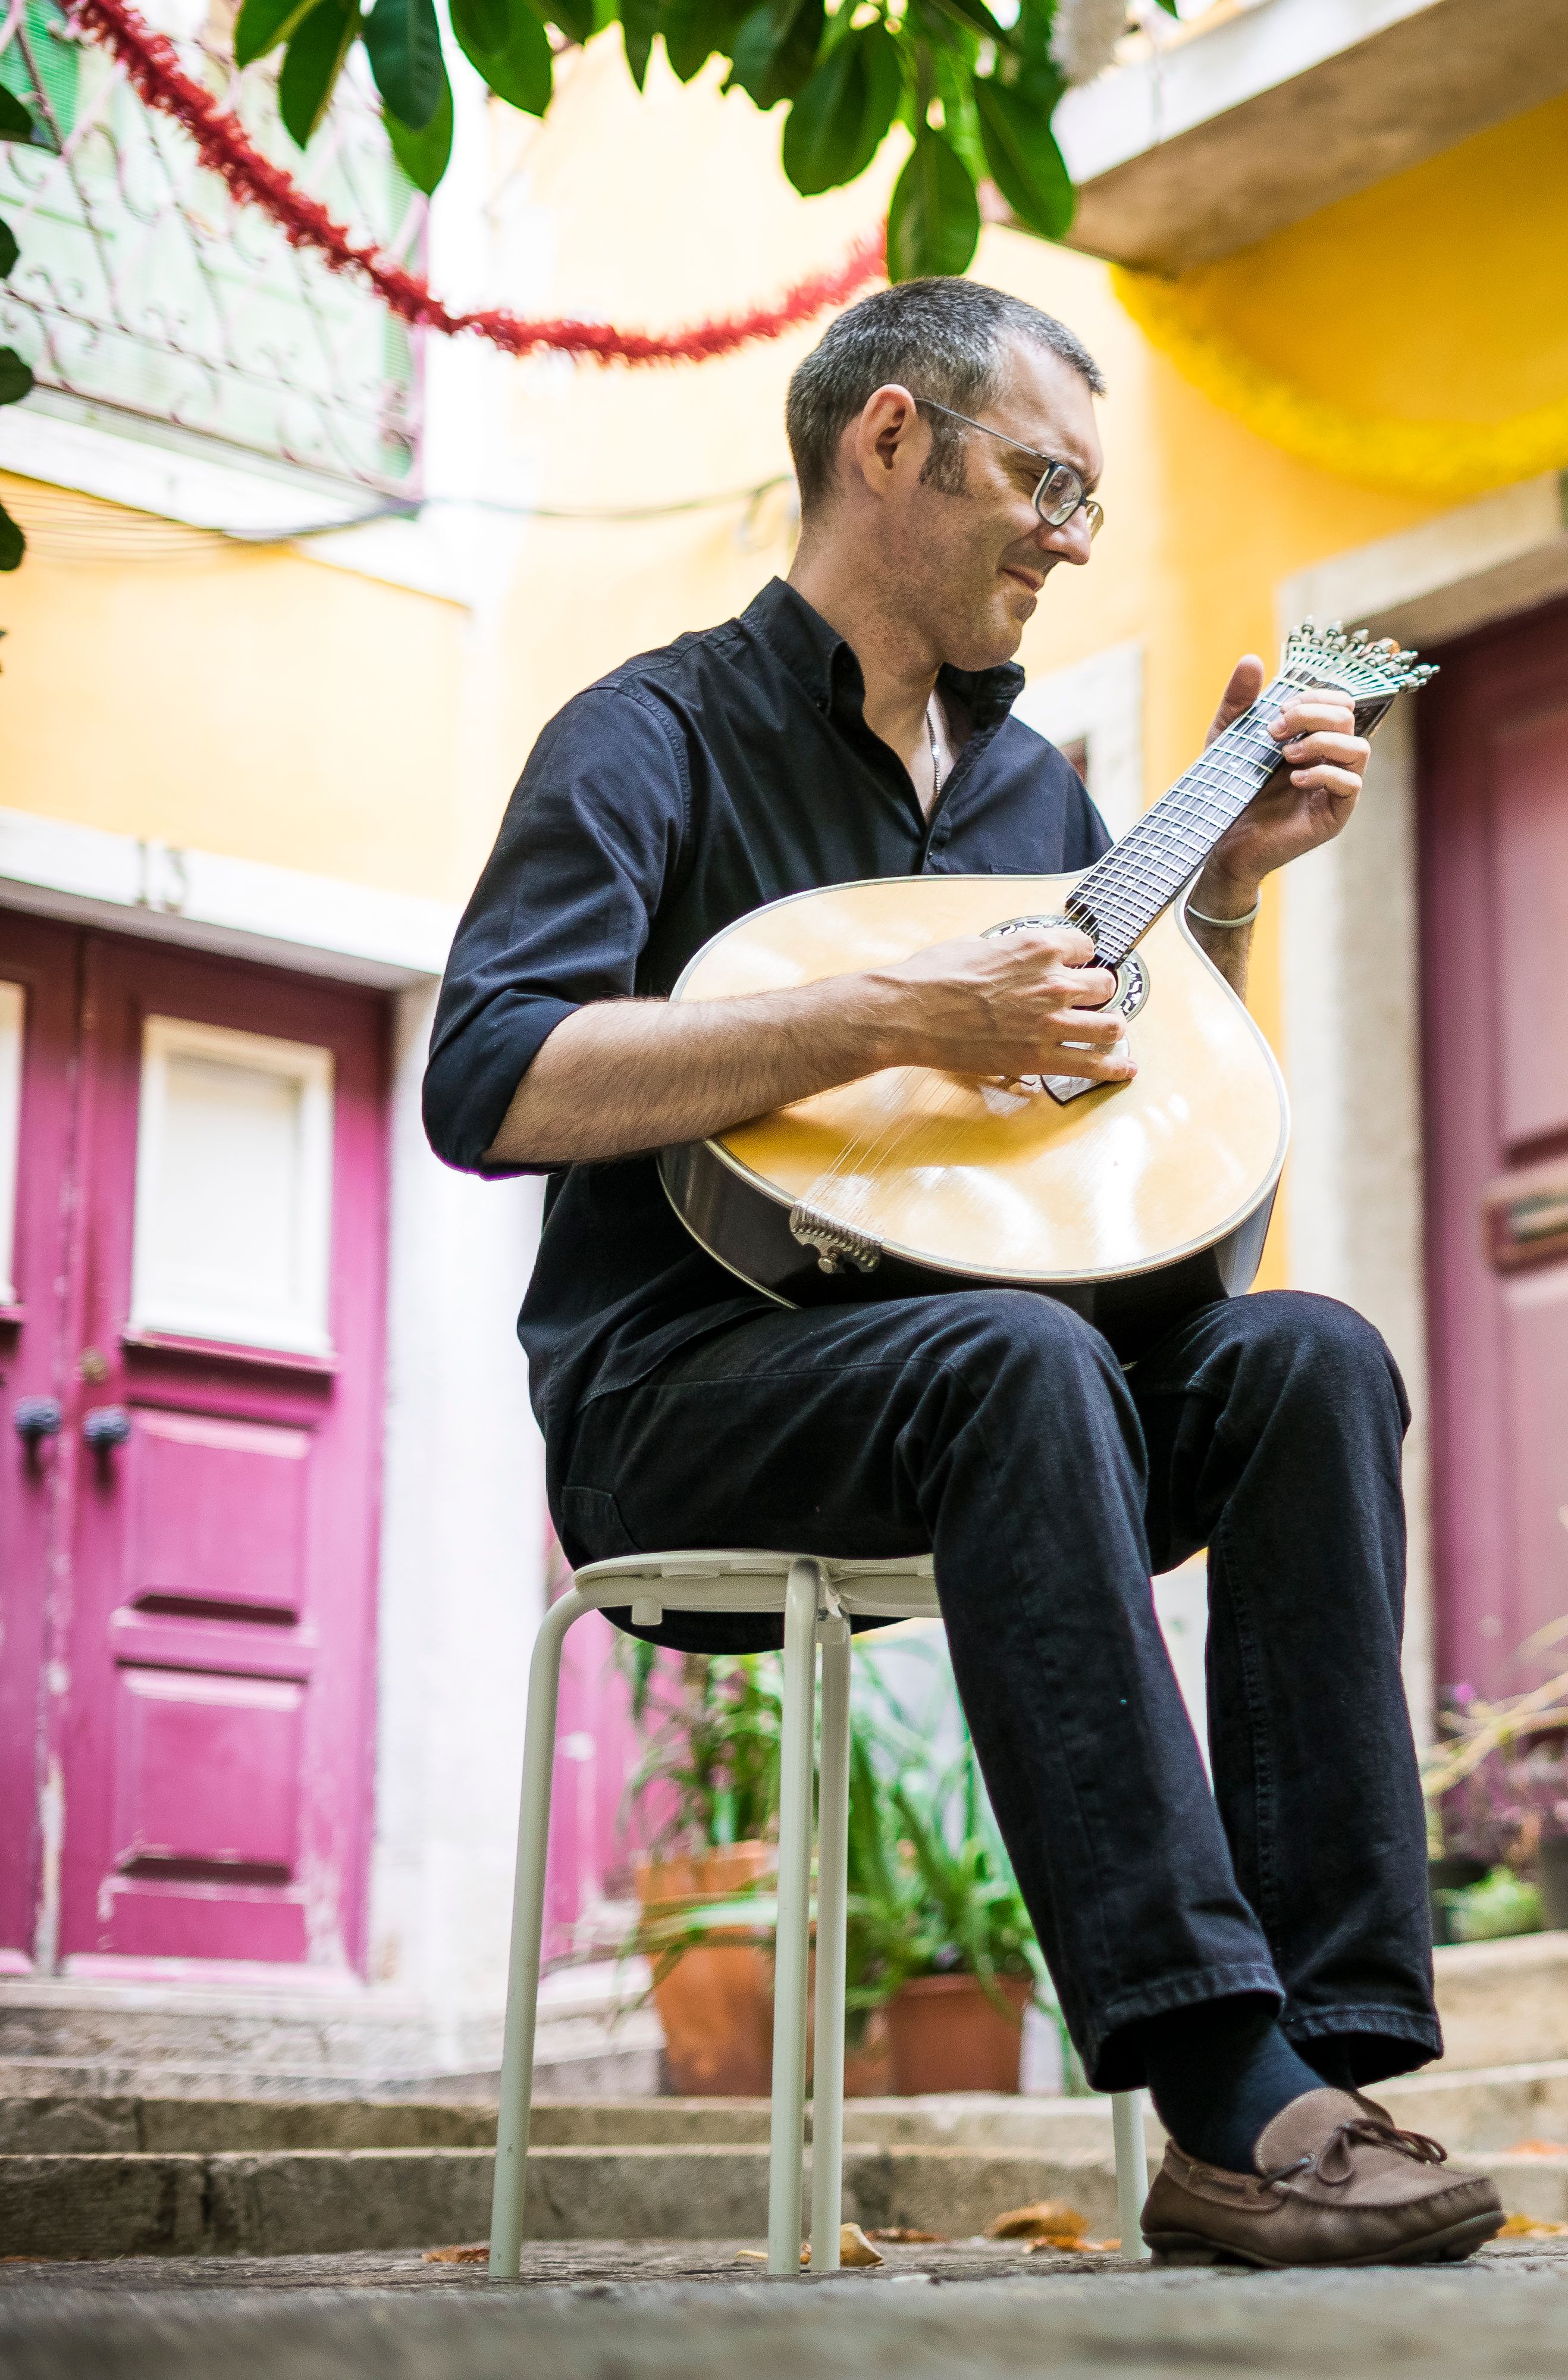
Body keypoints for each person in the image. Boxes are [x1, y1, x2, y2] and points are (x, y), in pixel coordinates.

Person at [427, 278, 1497, 2270]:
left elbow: (1141, 1157)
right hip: (690, 1401)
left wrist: (1232, 896)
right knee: (1011, 1361)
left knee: (1311, 1361)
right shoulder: (648, 735)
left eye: (1094, 500)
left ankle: (1329, 2052)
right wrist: (896, 1008)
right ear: (890, 441)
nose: (1072, 536)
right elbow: (489, 1076)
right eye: (1043, 478)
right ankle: (1221, 2084)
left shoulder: (1037, 799)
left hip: (1023, 1391)